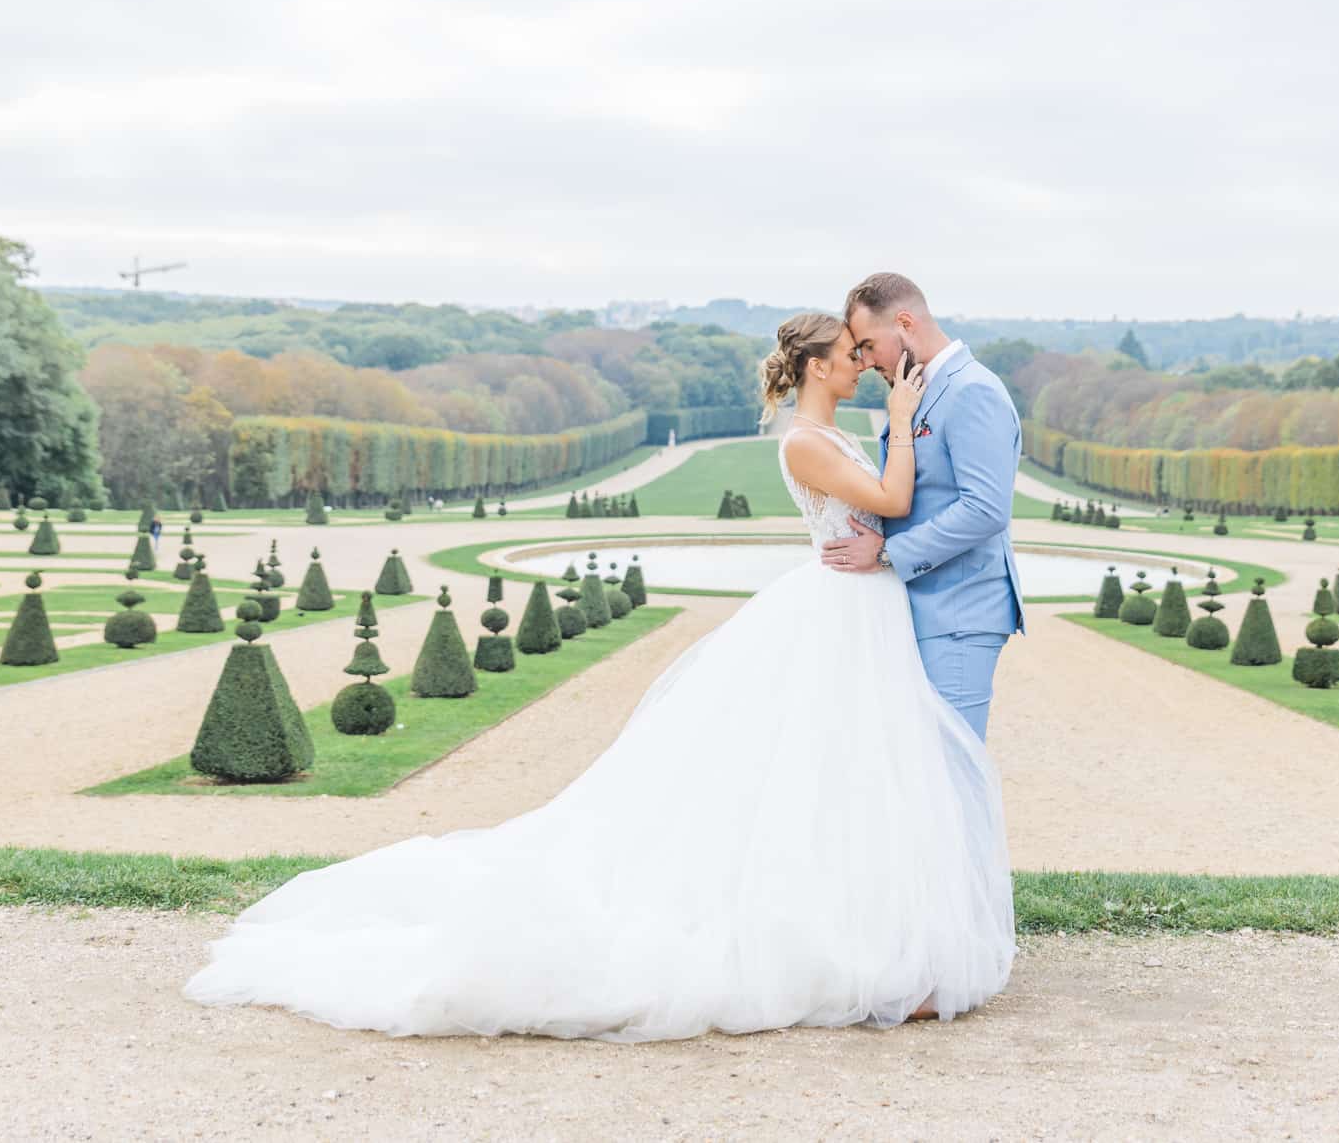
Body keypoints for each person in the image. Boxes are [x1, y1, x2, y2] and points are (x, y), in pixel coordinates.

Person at [183, 311, 1014, 1040]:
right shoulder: (806, 439)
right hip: (840, 610)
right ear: (813, 368)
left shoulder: (832, 433)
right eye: (848, 352)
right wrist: (904, 420)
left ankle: (871, 932)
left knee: (844, 780)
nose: (864, 362)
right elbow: (897, 504)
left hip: (858, 614)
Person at [826, 273, 1027, 741]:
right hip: (923, 608)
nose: (867, 361)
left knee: (952, 768)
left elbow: (985, 508)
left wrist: (885, 555)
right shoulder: (916, 391)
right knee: (920, 776)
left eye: (870, 345)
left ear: (904, 322)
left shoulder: (971, 390)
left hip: (960, 613)